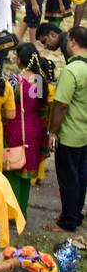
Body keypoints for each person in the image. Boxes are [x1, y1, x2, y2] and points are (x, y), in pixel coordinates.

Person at [3, 44, 53, 215]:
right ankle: (21, 212)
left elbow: (9, 105)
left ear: (20, 60)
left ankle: (11, 214)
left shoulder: (16, 81)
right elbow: (35, 104)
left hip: (16, 127)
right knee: (26, 175)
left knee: (13, 170)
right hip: (33, 128)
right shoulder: (39, 80)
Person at [50, 26, 87, 234]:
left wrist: (52, 132)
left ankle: (67, 221)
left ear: (72, 41)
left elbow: (61, 105)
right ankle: (77, 214)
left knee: (68, 178)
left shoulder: (72, 70)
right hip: (84, 132)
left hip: (70, 134)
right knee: (81, 176)